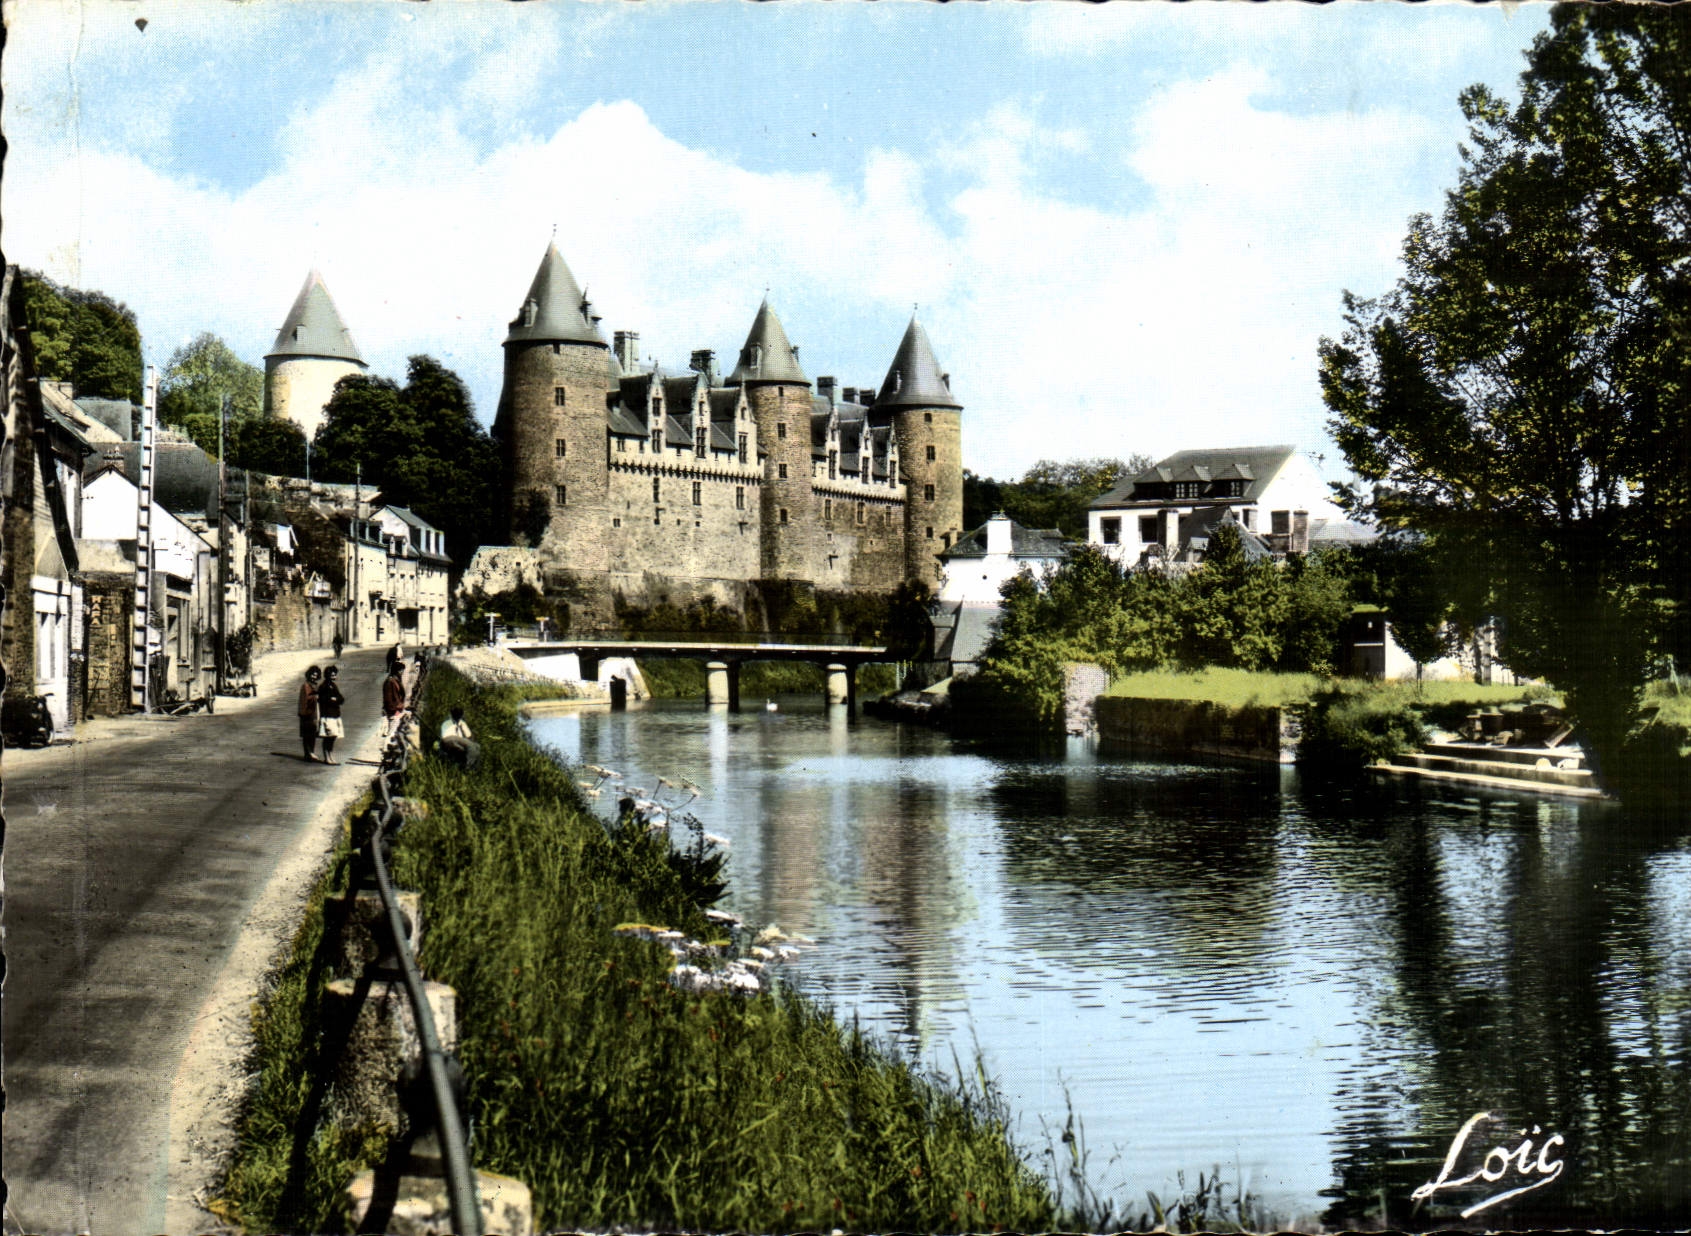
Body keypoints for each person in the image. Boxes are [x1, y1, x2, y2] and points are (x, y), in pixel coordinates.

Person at [317, 664, 346, 764]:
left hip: (335, 715)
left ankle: (330, 756)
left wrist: (334, 699)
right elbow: (324, 700)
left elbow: (341, 699)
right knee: (328, 737)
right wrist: (334, 699)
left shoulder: (333, 686)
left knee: (332, 737)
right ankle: (327, 757)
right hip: (328, 715)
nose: (334, 677)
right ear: (328, 675)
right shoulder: (323, 687)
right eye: (332, 675)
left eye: (335, 675)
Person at [297, 666, 321, 761]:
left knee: (312, 733)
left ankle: (311, 753)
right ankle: (308, 753)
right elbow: (305, 699)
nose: (314, 677)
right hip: (307, 712)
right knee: (307, 734)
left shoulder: (314, 685)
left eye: (315, 675)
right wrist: (316, 696)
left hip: (314, 711)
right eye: (312, 674)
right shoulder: (306, 686)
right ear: (309, 675)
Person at [382, 661, 407, 737]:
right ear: (396, 671)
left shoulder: (395, 680)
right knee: (391, 735)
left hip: (396, 711)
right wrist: (395, 710)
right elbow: (388, 699)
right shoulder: (391, 682)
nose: (402, 672)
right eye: (400, 670)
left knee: (393, 733)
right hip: (393, 712)